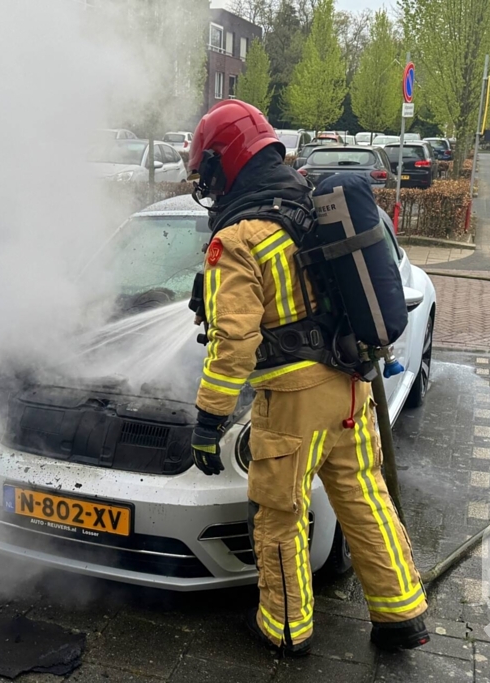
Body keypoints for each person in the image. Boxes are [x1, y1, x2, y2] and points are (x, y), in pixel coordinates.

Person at [186, 99, 429, 656]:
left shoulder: (241, 236)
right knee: (364, 497)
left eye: (208, 169)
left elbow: (234, 344)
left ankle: (285, 627)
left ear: (228, 162)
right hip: (349, 384)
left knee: (279, 513)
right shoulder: (310, 207)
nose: (207, 182)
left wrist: (209, 420)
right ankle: (402, 617)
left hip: (293, 398)